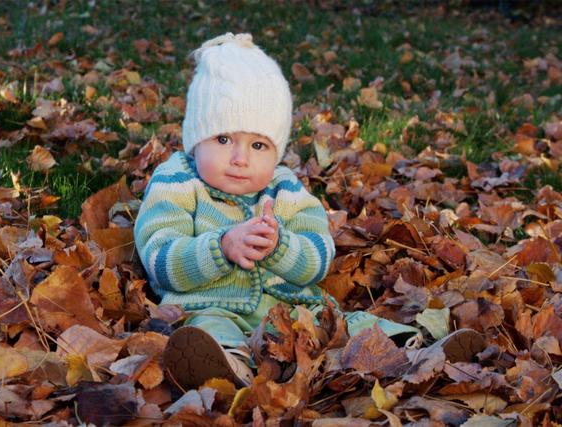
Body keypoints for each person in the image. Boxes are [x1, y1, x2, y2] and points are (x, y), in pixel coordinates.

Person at [134, 33, 477, 390]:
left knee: (346, 325)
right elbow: (159, 259)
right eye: (222, 139)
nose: (240, 158)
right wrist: (220, 247)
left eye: (258, 145)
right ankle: (227, 368)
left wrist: (281, 247)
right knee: (203, 330)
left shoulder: (286, 187)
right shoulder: (178, 178)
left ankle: (416, 350)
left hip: (293, 309)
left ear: (276, 151)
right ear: (195, 139)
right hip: (211, 305)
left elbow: (318, 257)